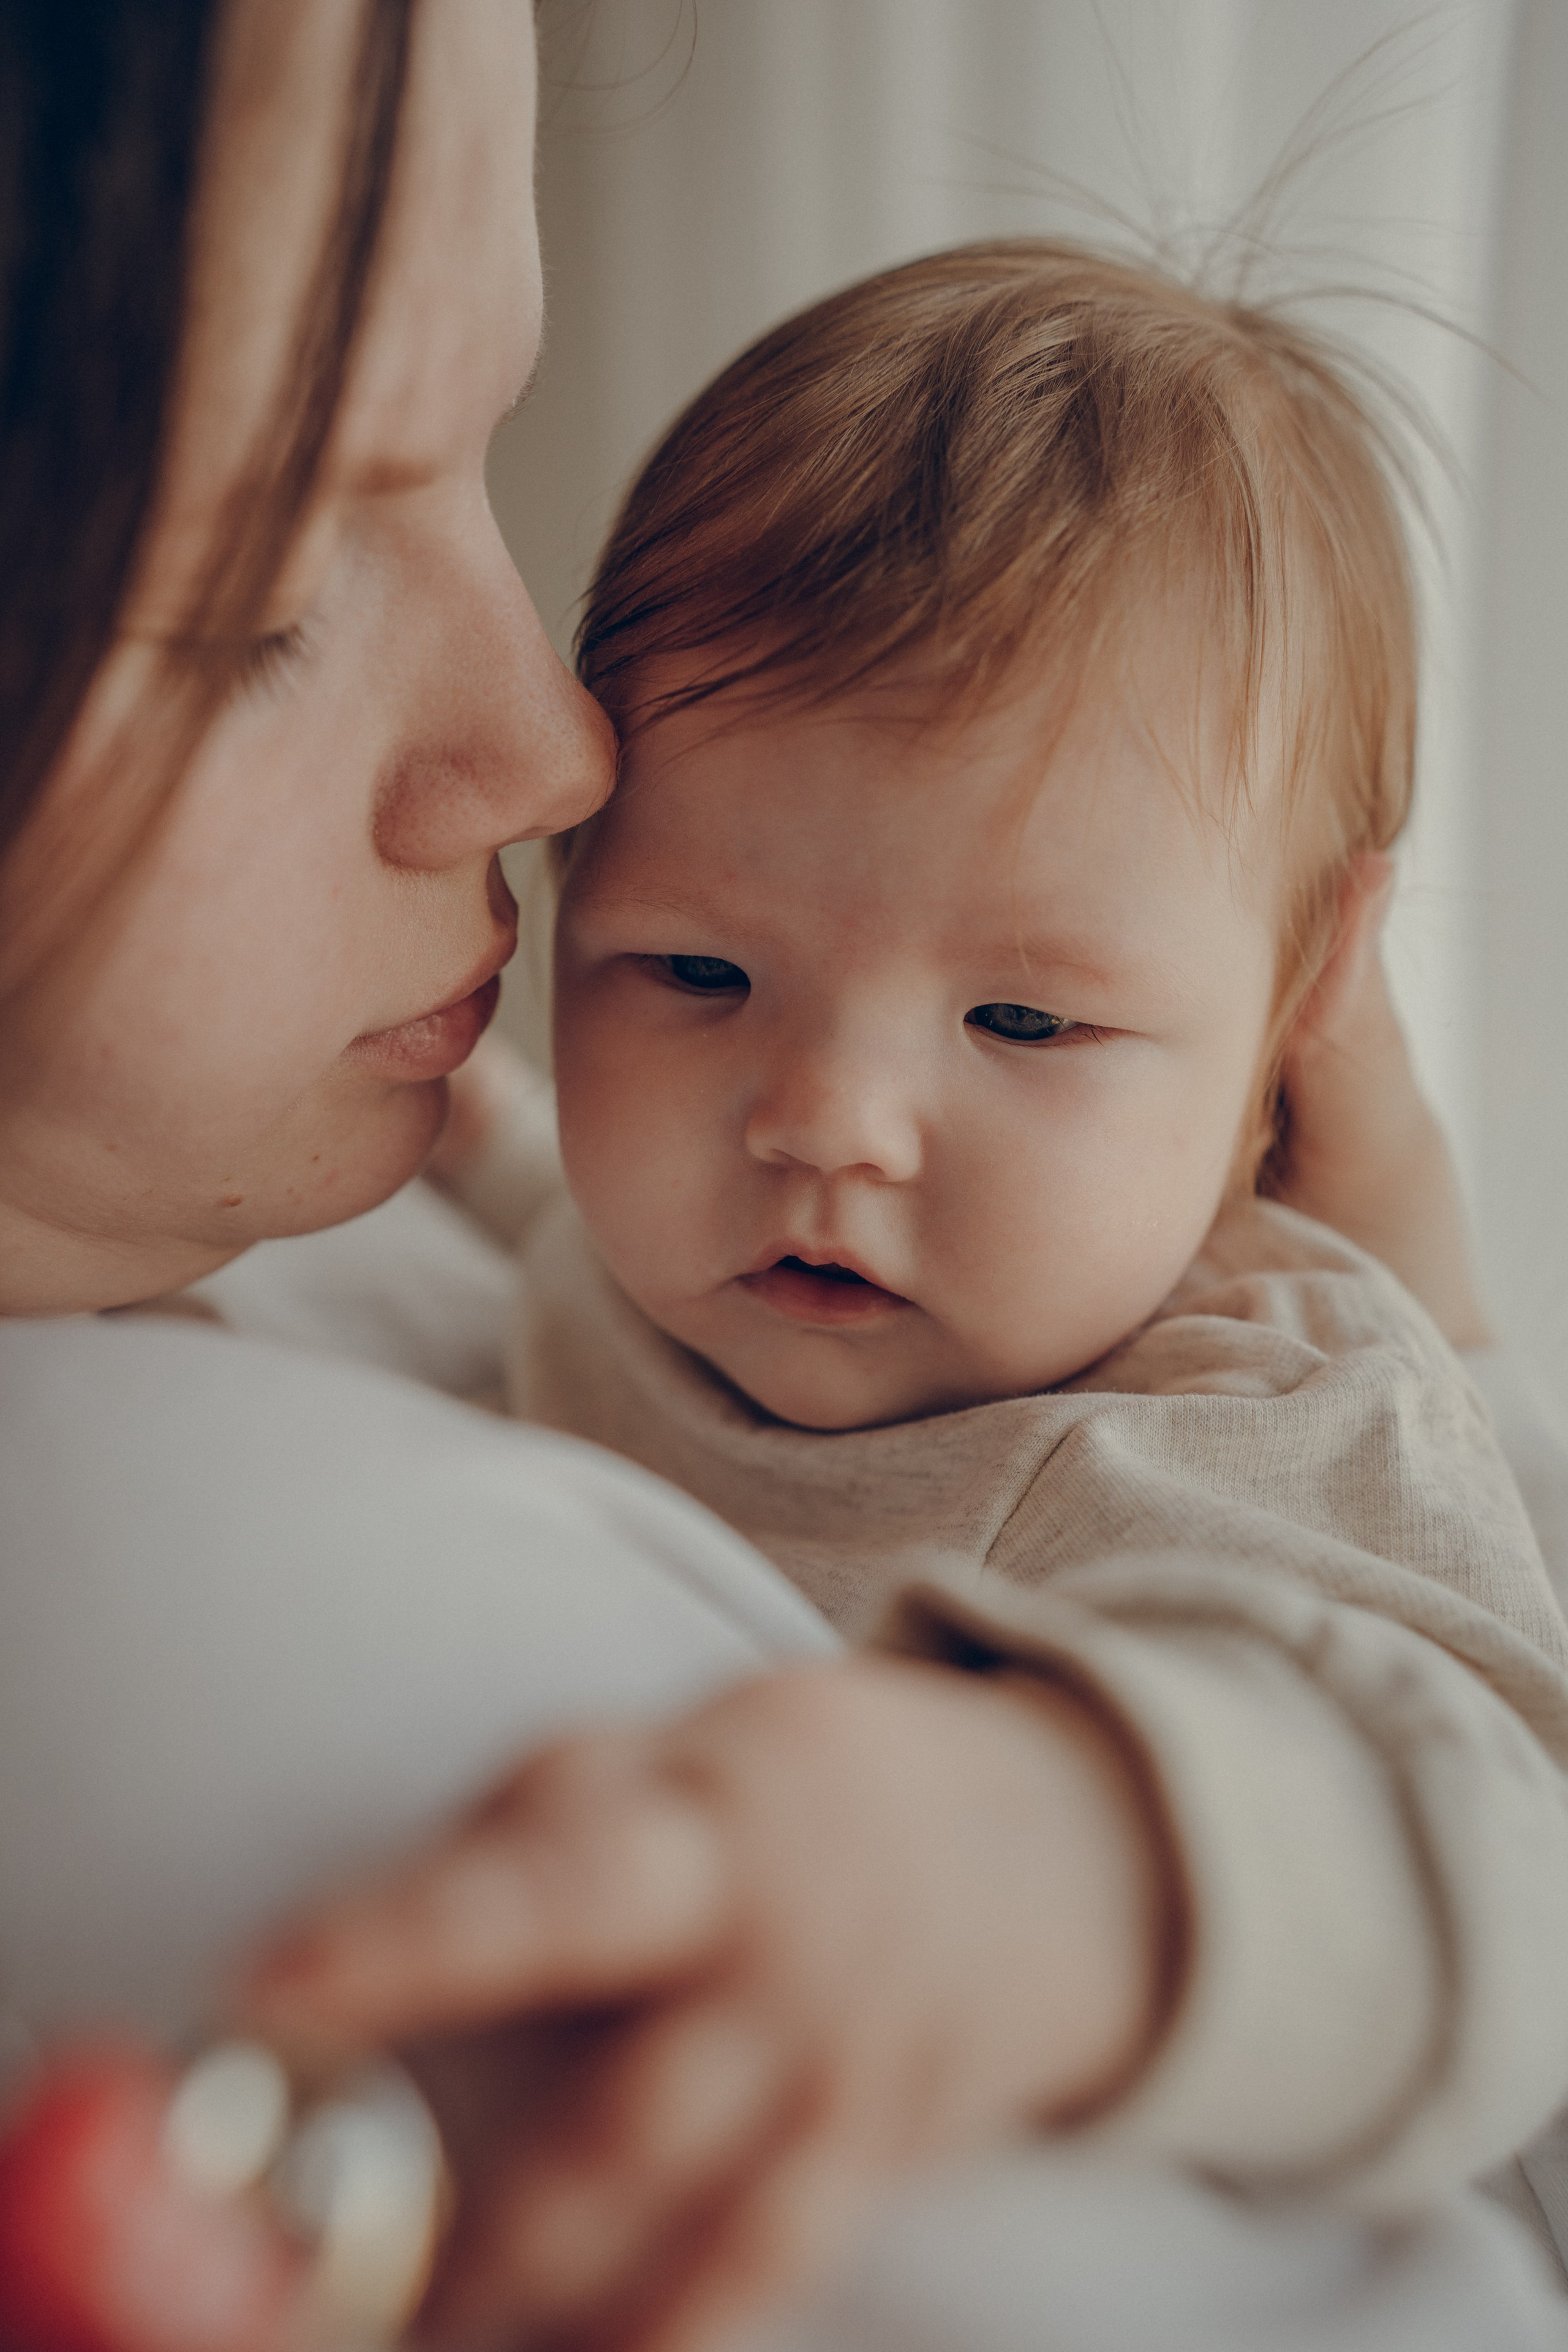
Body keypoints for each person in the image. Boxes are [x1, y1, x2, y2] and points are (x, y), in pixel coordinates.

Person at [0, 6, 1562, 2350]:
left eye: (1023, 1024)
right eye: (695, 969)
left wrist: (1064, 1852)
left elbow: (1494, 1833)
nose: (824, 1122)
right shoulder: (677, 1254)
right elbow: (538, 1233)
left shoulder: (1244, 1412)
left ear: (1302, 996)